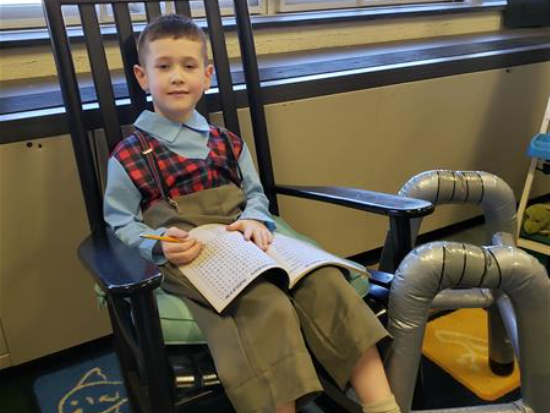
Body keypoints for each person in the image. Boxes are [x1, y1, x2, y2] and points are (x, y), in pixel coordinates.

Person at [104, 13, 401, 413]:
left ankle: (381, 404)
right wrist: (157, 247)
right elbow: (120, 220)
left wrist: (255, 219)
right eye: (164, 66)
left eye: (189, 66)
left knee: (326, 281)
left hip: (246, 237)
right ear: (143, 77)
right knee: (266, 305)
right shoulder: (130, 156)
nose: (177, 77)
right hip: (191, 251)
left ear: (206, 75)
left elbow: (255, 194)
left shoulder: (227, 142)